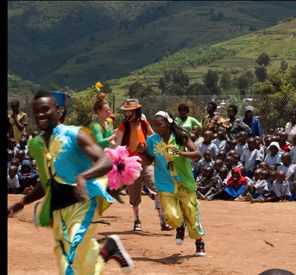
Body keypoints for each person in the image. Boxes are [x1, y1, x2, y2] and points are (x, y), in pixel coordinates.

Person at [7, 90, 133, 274]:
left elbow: (104, 162)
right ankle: (108, 250)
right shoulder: (38, 144)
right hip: (59, 214)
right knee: (75, 268)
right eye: (36, 111)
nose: (40, 114)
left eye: (45, 109)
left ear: (57, 110)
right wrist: (22, 202)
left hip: (82, 205)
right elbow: (47, 183)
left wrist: (83, 176)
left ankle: (107, 250)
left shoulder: (75, 134)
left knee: (73, 261)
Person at [141, 111, 206, 256]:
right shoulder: (152, 141)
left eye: (160, 124)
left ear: (168, 122)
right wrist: (141, 152)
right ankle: (180, 226)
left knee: (192, 214)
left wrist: (182, 153)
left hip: (184, 181)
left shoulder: (180, 136)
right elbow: (148, 161)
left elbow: (197, 154)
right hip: (165, 183)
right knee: (170, 215)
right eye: (155, 124)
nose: (156, 127)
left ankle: (199, 242)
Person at [115, 98, 169, 232]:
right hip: (130, 166)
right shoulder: (123, 126)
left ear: (137, 111)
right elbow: (117, 147)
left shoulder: (144, 123)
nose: (127, 114)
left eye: (130, 111)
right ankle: (136, 220)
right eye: (126, 111)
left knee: (157, 189)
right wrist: (120, 165)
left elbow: (153, 137)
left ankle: (163, 220)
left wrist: (163, 149)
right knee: (134, 196)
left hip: (146, 162)